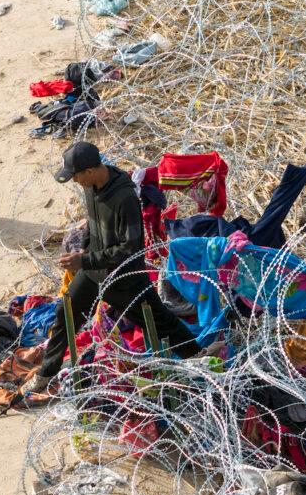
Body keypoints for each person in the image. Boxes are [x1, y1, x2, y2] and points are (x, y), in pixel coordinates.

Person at [28, 143, 201, 393]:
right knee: (66, 315)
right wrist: (83, 250)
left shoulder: (125, 198)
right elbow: (94, 224)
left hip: (124, 279)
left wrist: (84, 260)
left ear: (89, 171)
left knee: (160, 321)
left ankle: (199, 357)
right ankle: (46, 372)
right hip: (94, 271)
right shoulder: (91, 188)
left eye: (76, 176)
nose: (75, 181)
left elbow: (130, 248)